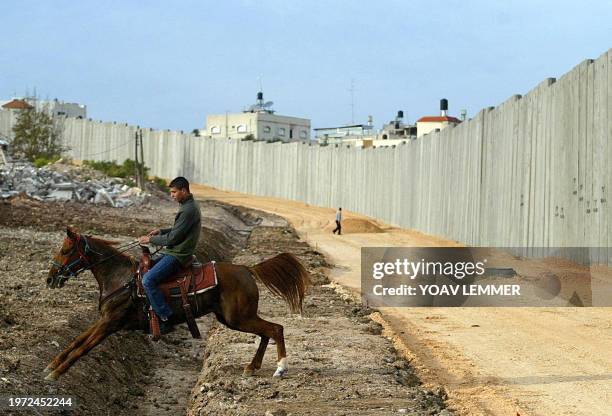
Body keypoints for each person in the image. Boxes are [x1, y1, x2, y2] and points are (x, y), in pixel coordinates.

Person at [138, 177, 201, 328]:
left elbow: (173, 239)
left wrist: (150, 240)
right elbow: (179, 229)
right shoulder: (188, 205)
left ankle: (166, 317)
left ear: (184, 191)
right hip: (177, 250)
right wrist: (161, 231)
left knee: (147, 280)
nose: (171, 195)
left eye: (174, 192)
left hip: (178, 254)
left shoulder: (187, 209)